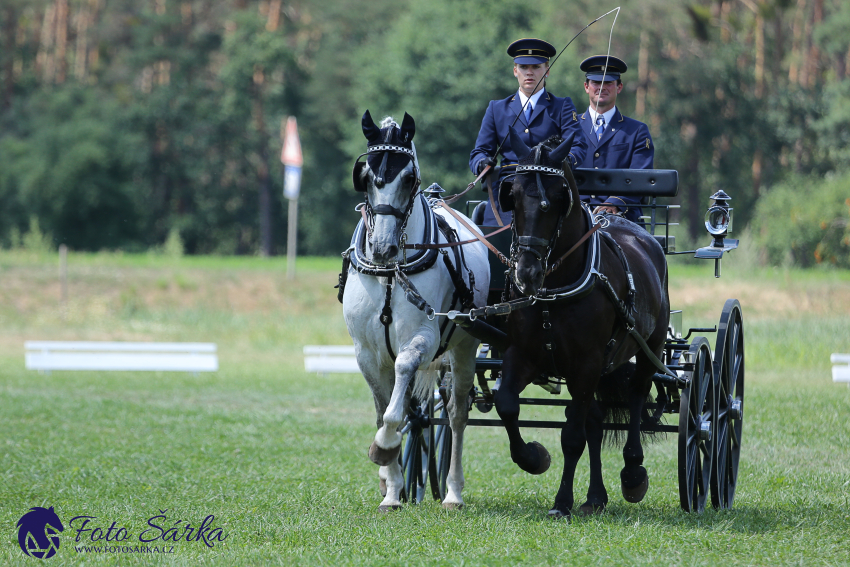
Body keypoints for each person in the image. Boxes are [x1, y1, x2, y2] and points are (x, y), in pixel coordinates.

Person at [470, 38, 588, 226]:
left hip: (549, 190)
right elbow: (479, 152)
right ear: (515, 70)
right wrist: (482, 163)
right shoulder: (497, 109)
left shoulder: (562, 106)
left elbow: (578, 146)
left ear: (547, 71)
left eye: (536, 67)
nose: (530, 73)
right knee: (493, 244)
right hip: (508, 192)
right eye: (524, 67)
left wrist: (562, 161)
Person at [577, 55, 654, 224]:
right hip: (574, 219)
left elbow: (640, 177)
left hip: (623, 220)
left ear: (619, 87)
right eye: (596, 82)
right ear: (586, 87)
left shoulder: (637, 131)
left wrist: (615, 203)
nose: (601, 87)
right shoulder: (569, 128)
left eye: (608, 83)